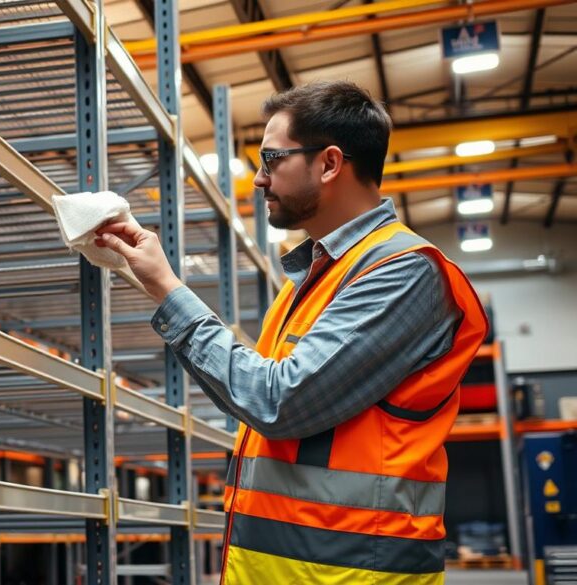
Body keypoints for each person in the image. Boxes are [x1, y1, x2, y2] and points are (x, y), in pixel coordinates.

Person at [95, 80, 489, 584]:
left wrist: (167, 289)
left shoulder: (403, 273)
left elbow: (277, 401)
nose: (259, 179)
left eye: (271, 159)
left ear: (328, 164)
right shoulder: (314, 277)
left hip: (352, 574)